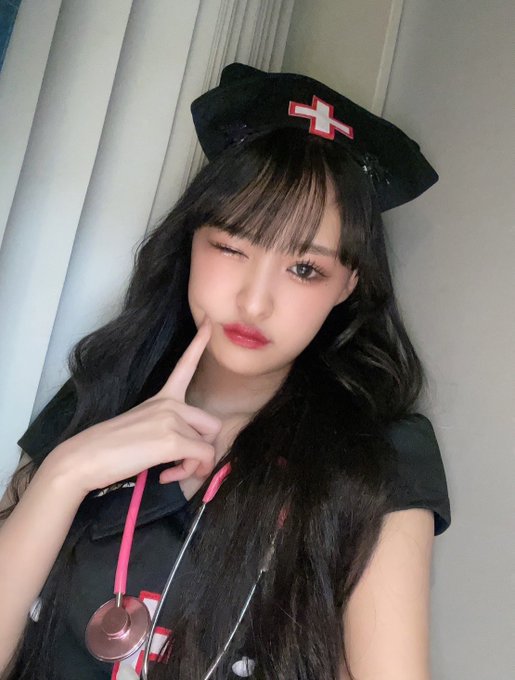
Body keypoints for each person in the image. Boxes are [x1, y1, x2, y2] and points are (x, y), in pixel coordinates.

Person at [0, 63, 450, 680]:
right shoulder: (103, 391)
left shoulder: (381, 457)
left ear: (348, 284)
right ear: (191, 241)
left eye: (305, 269)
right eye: (233, 247)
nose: (255, 302)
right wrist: (65, 473)